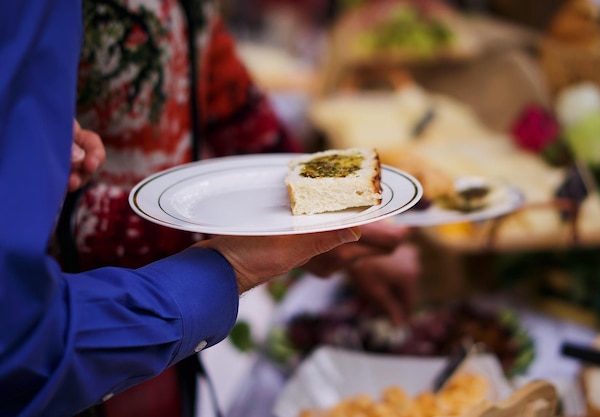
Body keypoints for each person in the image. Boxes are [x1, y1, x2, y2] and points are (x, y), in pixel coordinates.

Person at [0, 2, 367, 416]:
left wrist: (323, 197)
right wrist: (221, 249)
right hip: (94, 327)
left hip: (161, 319)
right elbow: (16, 333)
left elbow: (223, 84)